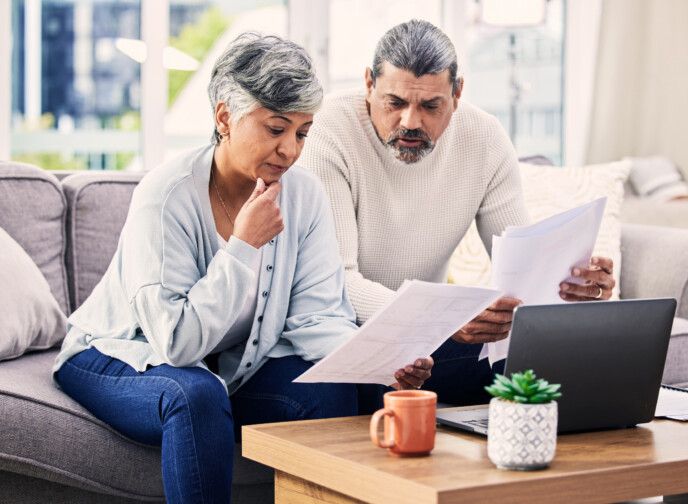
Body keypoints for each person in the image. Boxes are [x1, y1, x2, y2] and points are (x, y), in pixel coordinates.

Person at [52, 32, 432, 504]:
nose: (290, 151)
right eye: (276, 129)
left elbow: (318, 319)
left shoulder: (304, 195)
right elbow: (177, 343)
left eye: (302, 133)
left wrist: (379, 362)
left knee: (333, 391)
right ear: (224, 117)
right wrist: (243, 245)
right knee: (195, 396)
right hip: (120, 352)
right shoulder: (165, 196)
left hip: (222, 364)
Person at [298, 20, 615, 405]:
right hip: (348, 334)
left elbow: (524, 268)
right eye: (394, 102)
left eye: (431, 106)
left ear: (457, 92)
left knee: (558, 365)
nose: (410, 122)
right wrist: (444, 319)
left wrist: (572, 287)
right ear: (369, 84)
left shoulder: (484, 137)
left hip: (428, 341)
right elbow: (338, 284)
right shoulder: (327, 129)